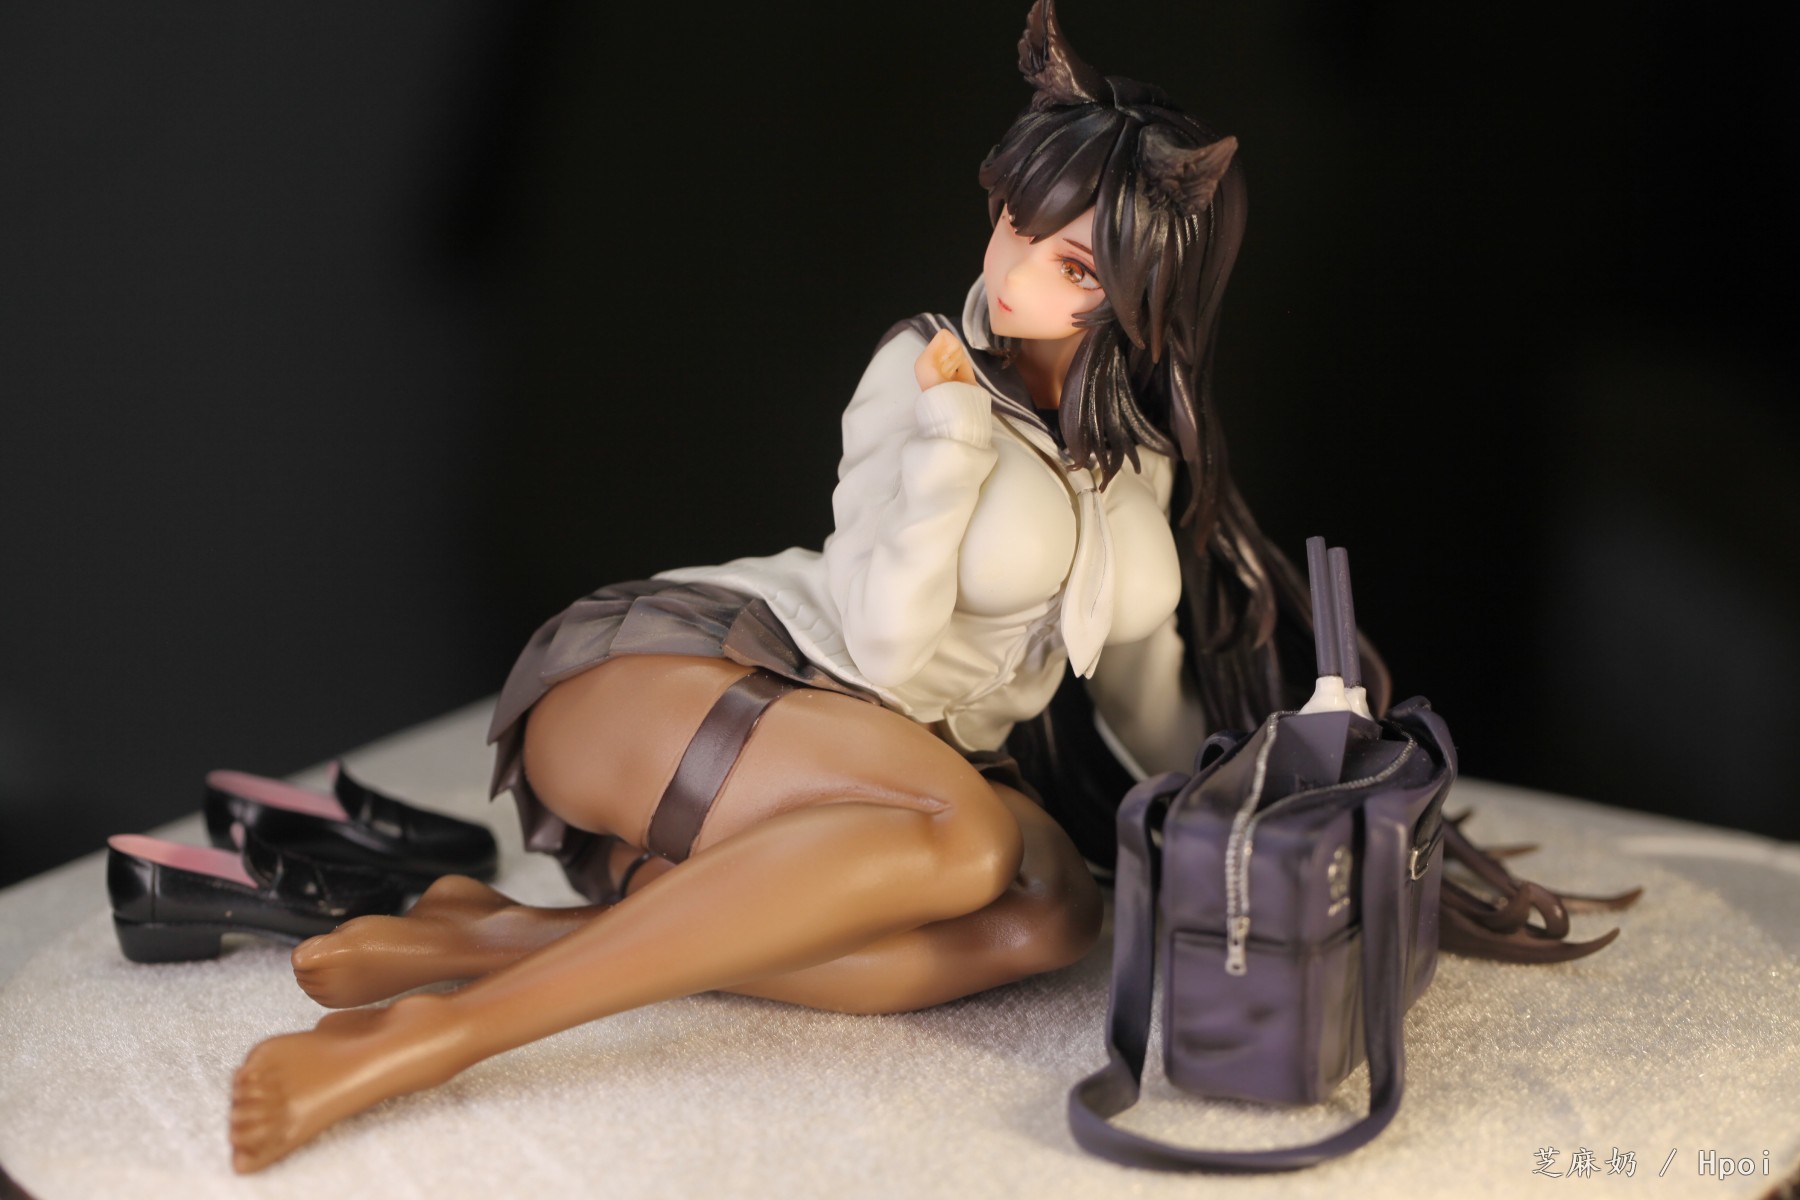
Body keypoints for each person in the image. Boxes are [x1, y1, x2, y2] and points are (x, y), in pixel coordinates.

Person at [227, 0, 1372, 1172]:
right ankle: (437, 1037)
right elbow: (883, 649)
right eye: (1015, 221)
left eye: (1071, 262)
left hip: (864, 761)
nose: (1014, 269)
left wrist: (1239, 814)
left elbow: (1143, 687)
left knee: (1053, 912)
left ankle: (506, 938)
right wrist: (950, 447)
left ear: (1146, 286)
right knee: (969, 840)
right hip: (682, 670)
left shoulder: (1138, 465)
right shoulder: (924, 374)